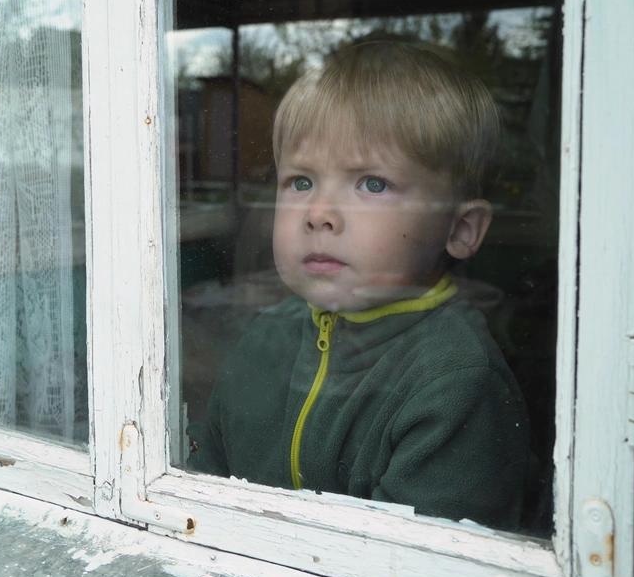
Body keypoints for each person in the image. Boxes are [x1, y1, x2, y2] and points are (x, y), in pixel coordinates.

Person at [188, 39, 529, 530]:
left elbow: (413, 564)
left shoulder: (455, 383)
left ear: (460, 230)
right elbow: (203, 489)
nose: (320, 214)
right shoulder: (265, 337)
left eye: (372, 184)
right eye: (301, 182)